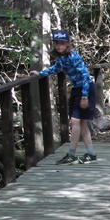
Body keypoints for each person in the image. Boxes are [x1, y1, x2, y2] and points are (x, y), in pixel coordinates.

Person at [32, 28, 98, 164]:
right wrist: (39, 74)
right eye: (57, 43)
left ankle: (71, 154)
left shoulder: (73, 57)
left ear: (68, 43)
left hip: (85, 89)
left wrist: (85, 96)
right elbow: (55, 68)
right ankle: (91, 153)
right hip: (77, 89)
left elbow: (85, 76)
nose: (59, 46)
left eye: (62, 43)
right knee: (82, 123)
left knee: (75, 121)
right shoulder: (62, 58)